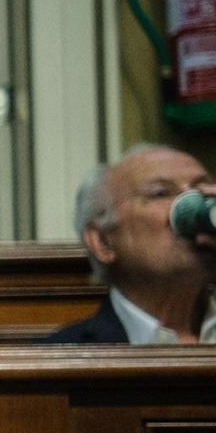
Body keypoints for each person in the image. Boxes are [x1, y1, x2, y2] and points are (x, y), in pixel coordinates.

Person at [43, 145, 216, 344]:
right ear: (103, 241)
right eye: (160, 193)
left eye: (202, 192)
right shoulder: (59, 360)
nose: (194, 205)